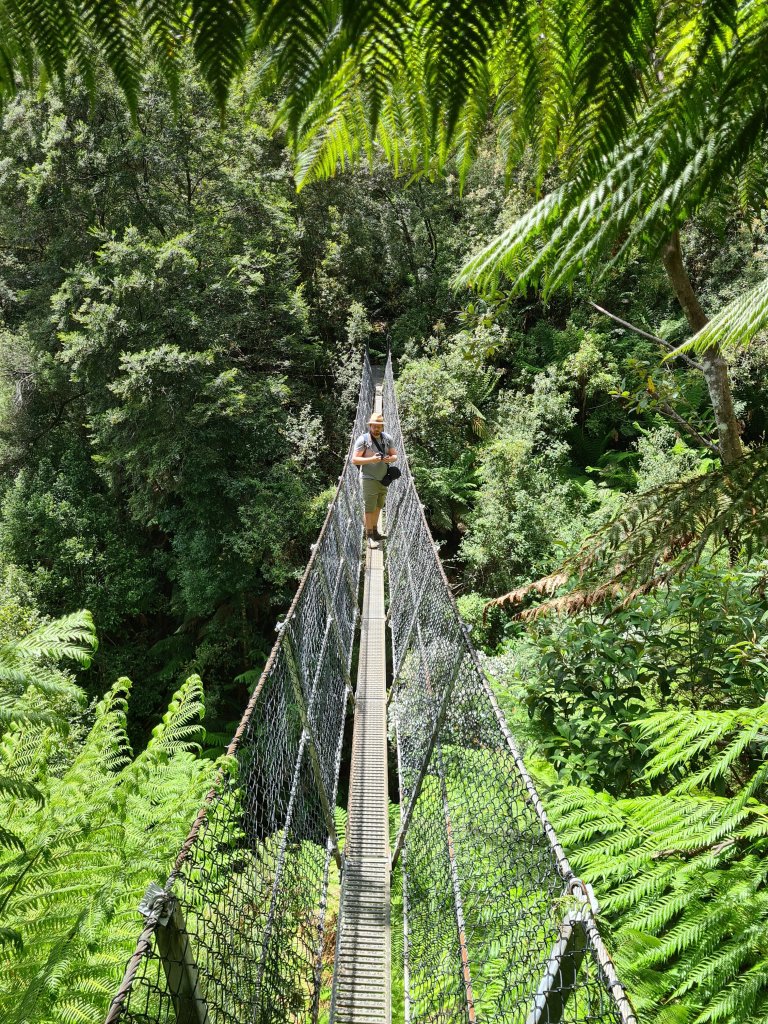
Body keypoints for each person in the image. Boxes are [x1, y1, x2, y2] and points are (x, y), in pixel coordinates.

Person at [352, 412, 398, 548]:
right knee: (369, 507)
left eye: (379, 426)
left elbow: (395, 455)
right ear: (370, 426)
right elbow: (354, 459)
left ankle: (376, 531)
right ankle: (369, 536)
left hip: (384, 479)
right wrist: (371, 459)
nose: (377, 428)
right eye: (374, 426)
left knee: (379, 506)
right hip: (368, 478)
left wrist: (391, 458)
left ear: (382, 427)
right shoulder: (363, 440)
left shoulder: (387, 438)